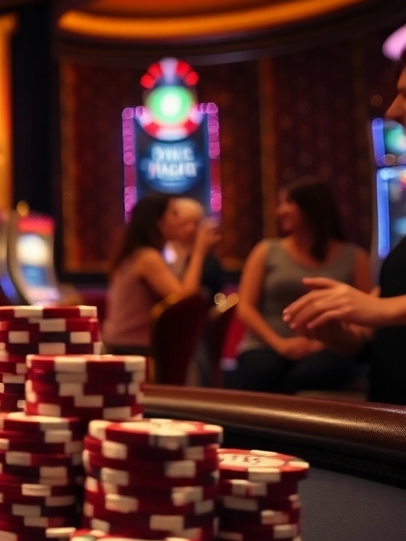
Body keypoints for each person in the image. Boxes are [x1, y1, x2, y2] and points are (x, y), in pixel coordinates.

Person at [283, 57, 406, 404]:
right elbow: (371, 336)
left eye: (405, 95)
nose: (394, 110)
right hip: (387, 419)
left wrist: (381, 310)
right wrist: (340, 332)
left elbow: (384, 310)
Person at [233, 178, 369, 393]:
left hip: (330, 347)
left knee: (313, 374)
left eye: (288, 203)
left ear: (311, 207)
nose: (281, 211)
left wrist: (323, 343)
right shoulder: (266, 250)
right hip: (267, 344)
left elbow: (365, 314)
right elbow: (245, 307)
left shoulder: (354, 256)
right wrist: (279, 343)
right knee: (262, 371)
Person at [102, 193, 219, 355]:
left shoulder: (137, 254)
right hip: (132, 349)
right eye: (174, 214)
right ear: (158, 222)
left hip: (124, 345)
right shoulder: (147, 258)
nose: (180, 220)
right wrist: (198, 252)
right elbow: (184, 302)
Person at [166, 196, 226, 302]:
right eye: (184, 223)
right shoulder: (159, 252)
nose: (191, 229)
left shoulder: (209, 261)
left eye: (196, 223)